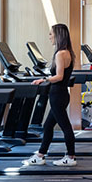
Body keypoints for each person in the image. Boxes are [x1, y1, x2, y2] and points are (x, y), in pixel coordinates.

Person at [23, 23, 77, 167]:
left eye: (51, 34)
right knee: (48, 125)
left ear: (58, 35)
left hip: (57, 94)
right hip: (62, 93)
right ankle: (40, 155)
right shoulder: (68, 52)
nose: (49, 37)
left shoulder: (60, 54)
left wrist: (44, 79)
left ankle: (71, 156)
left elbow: (59, 76)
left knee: (65, 126)